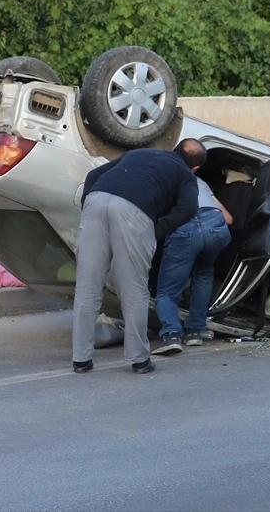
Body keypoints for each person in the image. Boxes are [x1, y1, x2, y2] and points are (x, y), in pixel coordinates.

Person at [71, 139, 205, 375]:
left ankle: (81, 359)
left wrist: (89, 209)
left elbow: (93, 175)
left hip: (97, 199)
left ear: (173, 148)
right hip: (135, 212)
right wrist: (157, 231)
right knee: (134, 289)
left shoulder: (139, 154)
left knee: (87, 285)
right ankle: (139, 360)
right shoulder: (185, 175)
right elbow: (189, 208)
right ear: (195, 168)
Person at [152, 176, 233, 355]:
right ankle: (195, 331)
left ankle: (172, 335)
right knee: (203, 273)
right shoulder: (198, 180)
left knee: (167, 291)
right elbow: (228, 219)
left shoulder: (156, 180)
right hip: (216, 225)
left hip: (185, 227)